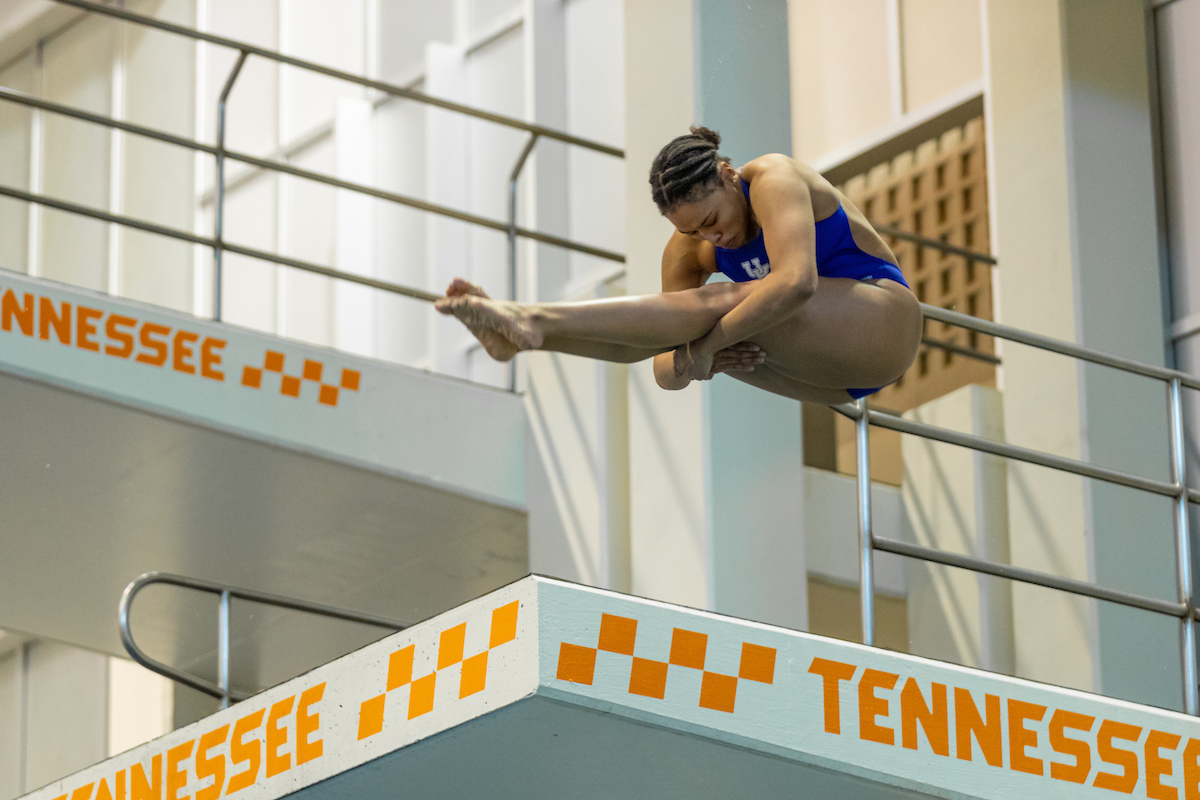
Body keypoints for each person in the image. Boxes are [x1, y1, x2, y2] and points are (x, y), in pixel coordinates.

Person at [435, 126, 922, 405]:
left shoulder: (772, 178)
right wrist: (694, 360)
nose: (711, 238)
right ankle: (530, 340)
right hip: (830, 383)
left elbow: (796, 283)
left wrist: (707, 347)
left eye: (711, 220)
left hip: (885, 322)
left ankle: (534, 318)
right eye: (694, 232)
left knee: (721, 306)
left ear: (728, 175)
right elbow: (663, 369)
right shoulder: (688, 250)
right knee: (696, 329)